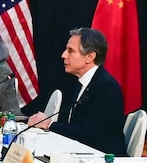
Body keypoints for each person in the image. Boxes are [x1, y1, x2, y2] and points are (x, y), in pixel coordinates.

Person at [27, 28, 126, 156]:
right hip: (81, 153)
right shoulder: (81, 82)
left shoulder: (106, 87)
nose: (63, 55)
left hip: (103, 160)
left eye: (70, 51)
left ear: (89, 57)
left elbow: (90, 135)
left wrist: (49, 124)